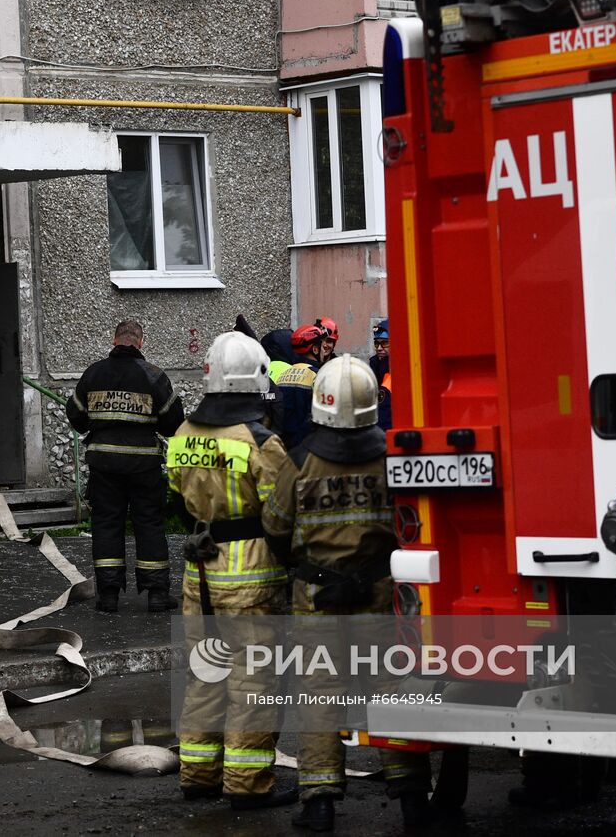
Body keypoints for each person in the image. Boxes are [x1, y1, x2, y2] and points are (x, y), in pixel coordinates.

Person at [262, 355, 432, 831]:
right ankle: (414, 799)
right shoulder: (391, 457)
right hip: (381, 596)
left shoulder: (299, 462)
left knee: (319, 696)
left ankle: (319, 805)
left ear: (320, 404)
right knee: (393, 693)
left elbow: (275, 526)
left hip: (317, 600)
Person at [168, 331, 297, 810]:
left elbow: (177, 498)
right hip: (252, 577)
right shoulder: (260, 441)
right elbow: (282, 514)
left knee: (205, 674)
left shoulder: (183, 434)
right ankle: (247, 785)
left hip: (197, 574)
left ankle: (198, 775)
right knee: (253, 682)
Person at [65, 319, 184, 613]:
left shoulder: (94, 373)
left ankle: (108, 596)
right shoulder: (154, 376)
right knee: (149, 524)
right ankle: (157, 594)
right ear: (140, 343)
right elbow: (173, 423)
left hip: (104, 464)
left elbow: (76, 417)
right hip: (144, 465)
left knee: (106, 525)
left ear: (114, 340)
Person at [275, 318, 338, 451]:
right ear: (315, 349)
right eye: (321, 346)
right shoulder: (318, 376)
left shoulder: (283, 375)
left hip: (285, 448)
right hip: (308, 448)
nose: (324, 349)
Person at [370, 318, 392, 432]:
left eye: (384, 343)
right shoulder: (373, 368)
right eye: (376, 343)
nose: (379, 348)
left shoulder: (393, 374)